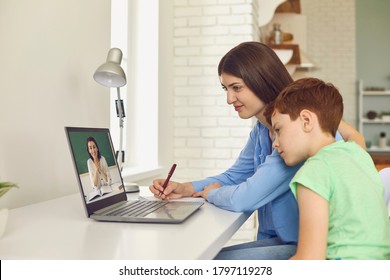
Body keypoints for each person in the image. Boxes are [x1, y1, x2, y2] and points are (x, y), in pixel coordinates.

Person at [149, 42, 365, 259]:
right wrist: (186, 188)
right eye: (226, 89)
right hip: (281, 241)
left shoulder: (297, 138)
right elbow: (235, 176)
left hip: (309, 250)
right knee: (202, 257)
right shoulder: (262, 130)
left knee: (203, 261)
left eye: (236, 87)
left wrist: (212, 192)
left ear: (261, 80)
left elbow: (245, 198)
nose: (229, 99)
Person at [267, 77, 390, 259]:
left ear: (306, 120)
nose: (275, 143)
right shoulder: (358, 154)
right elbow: (354, 135)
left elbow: (310, 261)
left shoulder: (314, 171)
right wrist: (326, 113)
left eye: (278, 130)